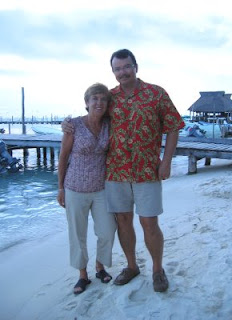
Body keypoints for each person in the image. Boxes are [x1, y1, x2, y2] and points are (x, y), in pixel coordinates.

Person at [62, 49, 185, 292]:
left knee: (150, 222)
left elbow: (173, 126)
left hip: (147, 170)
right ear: (113, 72)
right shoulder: (110, 97)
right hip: (115, 173)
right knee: (123, 221)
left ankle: (158, 270)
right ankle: (131, 266)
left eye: (126, 67)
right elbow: (92, 117)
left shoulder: (155, 93)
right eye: (117, 69)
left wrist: (167, 160)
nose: (122, 72)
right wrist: (68, 125)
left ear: (136, 66)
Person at [57, 83, 116, 294]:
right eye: (95, 99)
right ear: (87, 102)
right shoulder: (73, 125)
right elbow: (63, 157)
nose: (99, 102)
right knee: (77, 234)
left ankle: (100, 266)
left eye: (103, 99)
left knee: (108, 231)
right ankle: (83, 275)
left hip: (101, 189)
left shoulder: (110, 124)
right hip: (74, 188)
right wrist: (60, 188)